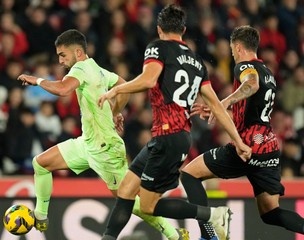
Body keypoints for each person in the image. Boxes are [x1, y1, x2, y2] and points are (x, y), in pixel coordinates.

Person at [17, 29, 191, 240]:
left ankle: (175, 235)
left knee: (131, 202)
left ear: (78, 53)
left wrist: (37, 80)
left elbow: (63, 90)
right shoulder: (97, 69)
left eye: (63, 55)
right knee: (41, 163)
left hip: (105, 149)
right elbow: (124, 86)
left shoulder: (80, 69)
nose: (60, 60)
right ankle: (40, 216)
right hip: (88, 143)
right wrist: (115, 112)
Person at [98, 5, 251, 240]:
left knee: (148, 206)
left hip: (168, 136)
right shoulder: (197, 62)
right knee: (126, 190)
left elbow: (149, 80)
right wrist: (238, 140)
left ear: (159, 29)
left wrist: (115, 90)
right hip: (174, 137)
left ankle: (212, 215)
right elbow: (217, 107)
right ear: (183, 30)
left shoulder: (158, 48)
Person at [181, 25, 304, 238]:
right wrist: (218, 107)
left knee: (188, 174)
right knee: (271, 213)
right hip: (269, 147)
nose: (232, 55)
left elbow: (252, 85)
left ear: (238, 48)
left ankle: (208, 234)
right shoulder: (269, 74)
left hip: (247, 145)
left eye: (231, 50)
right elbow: (252, 105)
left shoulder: (245, 66)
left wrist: (226, 100)